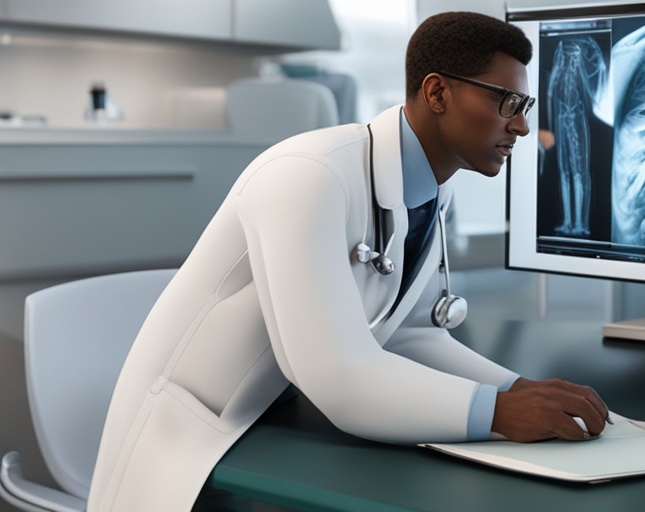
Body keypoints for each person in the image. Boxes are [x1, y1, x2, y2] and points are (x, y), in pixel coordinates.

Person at [87, 11, 610, 511]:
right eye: (507, 102)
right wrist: (499, 411)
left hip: (278, 425)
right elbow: (338, 377)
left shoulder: (430, 189)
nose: (521, 126)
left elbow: (409, 334)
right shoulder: (307, 175)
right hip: (192, 443)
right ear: (437, 93)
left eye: (526, 104)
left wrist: (517, 388)